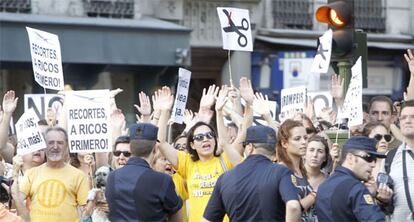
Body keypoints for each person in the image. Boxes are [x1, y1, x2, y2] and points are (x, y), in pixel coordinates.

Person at [157, 85, 242, 222]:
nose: (205, 139)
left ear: (216, 140)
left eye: (209, 135)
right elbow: (160, 143)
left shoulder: (226, 159)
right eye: (199, 137)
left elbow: (242, 132)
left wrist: (221, 111)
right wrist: (164, 111)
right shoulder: (187, 163)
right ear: (192, 145)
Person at [203, 125, 302, 221]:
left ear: (250, 147)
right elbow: (293, 206)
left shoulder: (224, 178)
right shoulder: (281, 172)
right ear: (275, 150)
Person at [106, 123, 183, 221]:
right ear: (155, 148)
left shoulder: (112, 177)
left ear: (131, 148)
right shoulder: (162, 180)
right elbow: (177, 215)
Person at [17, 127, 90, 221]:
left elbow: (84, 211)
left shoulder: (79, 176)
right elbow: (18, 201)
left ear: (66, 146)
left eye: (60, 142)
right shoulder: (31, 174)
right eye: (50, 142)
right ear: (44, 145)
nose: (55, 146)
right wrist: (15, 172)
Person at [316, 136, 386, 221]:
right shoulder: (356, 188)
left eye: (375, 159)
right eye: (369, 158)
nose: (373, 164)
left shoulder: (324, 185)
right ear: (350, 158)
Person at [276, 119, 316, 221]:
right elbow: (292, 207)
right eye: (297, 139)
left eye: (305, 138)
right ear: (284, 143)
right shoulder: (281, 170)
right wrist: (314, 195)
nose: (304, 142)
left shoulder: (302, 169)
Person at [381, 99, 414, 221]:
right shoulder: (390, 156)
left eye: (412, 117)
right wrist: (382, 197)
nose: (407, 121)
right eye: (403, 117)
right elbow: (381, 198)